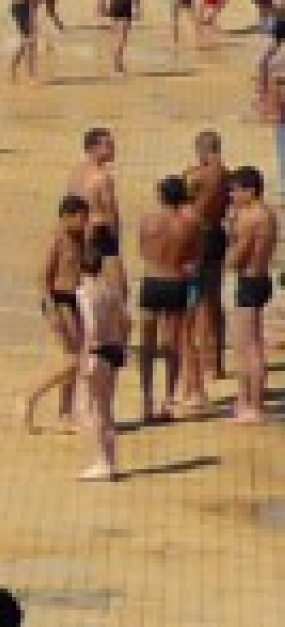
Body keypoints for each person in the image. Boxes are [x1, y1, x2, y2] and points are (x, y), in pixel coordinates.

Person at [137, 175, 201, 422]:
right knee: (172, 344)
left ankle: (146, 399)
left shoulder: (148, 220)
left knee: (147, 343)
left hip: (153, 279)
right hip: (176, 282)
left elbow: (143, 249)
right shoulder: (190, 223)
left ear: (161, 196)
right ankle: (168, 401)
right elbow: (195, 255)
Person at [22, 194, 89, 433]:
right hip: (58, 301)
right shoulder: (56, 239)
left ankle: (65, 413)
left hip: (74, 299)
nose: (85, 222)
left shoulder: (79, 238)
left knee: (77, 358)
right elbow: (42, 277)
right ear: (66, 217)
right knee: (73, 360)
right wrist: (51, 309)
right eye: (81, 218)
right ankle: (30, 398)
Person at [226, 165, 277, 424]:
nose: (232, 196)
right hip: (262, 277)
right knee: (252, 343)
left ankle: (253, 405)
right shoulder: (267, 213)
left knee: (247, 346)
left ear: (250, 190)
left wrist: (231, 236)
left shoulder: (249, 218)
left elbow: (236, 259)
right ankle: (250, 402)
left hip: (249, 280)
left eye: (235, 190)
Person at [183, 131, 230, 391]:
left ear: (201, 150)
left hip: (200, 235)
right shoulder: (227, 174)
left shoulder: (200, 175)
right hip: (217, 233)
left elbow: (181, 192)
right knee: (215, 299)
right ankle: (217, 363)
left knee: (200, 302)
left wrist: (189, 172)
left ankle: (203, 361)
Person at [78, 248, 129, 480]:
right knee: (107, 409)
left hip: (98, 351)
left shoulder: (85, 293)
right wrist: (120, 344)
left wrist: (86, 356)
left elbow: (91, 327)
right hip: (114, 349)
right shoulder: (111, 290)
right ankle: (110, 461)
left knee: (96, 410)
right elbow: (127, 321)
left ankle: (102, 462)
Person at [67, 128, 126, 297]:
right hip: (100, 231)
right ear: (93, 148)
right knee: (119, 287)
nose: (113, 149)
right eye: (108, 145)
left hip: (79, 230)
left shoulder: (75, 172)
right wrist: (116, 239)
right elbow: (110, 210)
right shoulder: (103, 176)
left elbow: (69, 204)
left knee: (84, 281)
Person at [7, 0, 43, 84]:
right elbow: (32, 5)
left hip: (18, 8)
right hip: (22, 9)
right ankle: (30, 76)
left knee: (26, 43)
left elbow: (33, 4)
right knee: (30, 43)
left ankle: (13, 70)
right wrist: (33, 22)